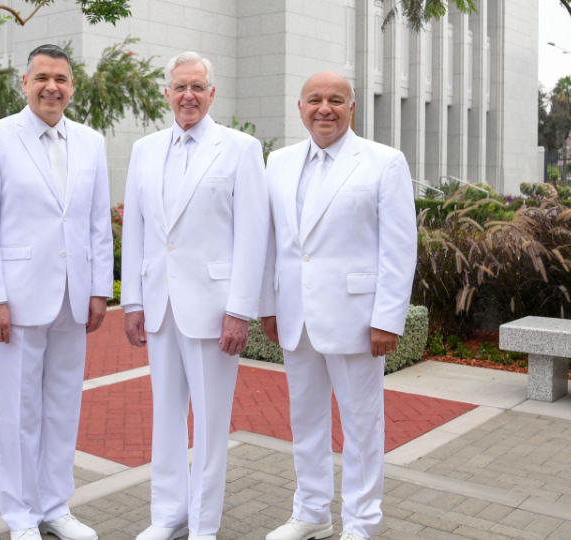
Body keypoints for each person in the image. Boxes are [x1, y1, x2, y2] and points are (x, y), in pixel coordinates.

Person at [260, 71, 417, 540]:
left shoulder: (384, 162)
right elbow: (271, 242)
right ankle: (311, 513)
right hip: (296, 317)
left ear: (352, 108)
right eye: (314, 99)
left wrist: (387, 319)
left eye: (335, 100)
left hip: (356, 319)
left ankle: (361, 523)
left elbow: (399, 249)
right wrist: (268, 305)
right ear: (300, 107)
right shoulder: (278, 162)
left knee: (361, 426)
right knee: (305, 421)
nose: (324, 108)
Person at [0, 44, 114, 540]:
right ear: (24, 83)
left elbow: (97, 222)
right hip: (17, 299)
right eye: (43, 78)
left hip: (74, 298)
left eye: (62, 79)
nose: (52, 87)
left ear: (72, 87)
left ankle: (56, 507)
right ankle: (21, 515)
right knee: (18, 412)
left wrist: (99, 289)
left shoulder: (91, 142)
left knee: (63, 407)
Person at [120, 51, 269, 540]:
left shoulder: (241, 149)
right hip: (160, 306)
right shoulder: (144, 150)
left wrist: (240, 310)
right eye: (180, 87)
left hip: (214, 308)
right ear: (167, 93)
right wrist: (133, 301)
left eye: (197, 87)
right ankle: (168, 515)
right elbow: (137, 231)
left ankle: (204, 524)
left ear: (211, 93)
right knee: (166, 416)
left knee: (209, 422)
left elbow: (253, 235)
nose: (188, 95)